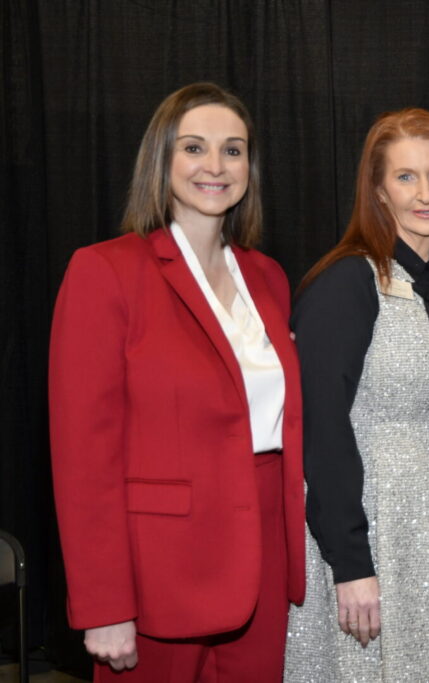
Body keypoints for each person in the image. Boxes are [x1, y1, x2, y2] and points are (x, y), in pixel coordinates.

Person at [48, 82, 305, 682]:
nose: (215, 166)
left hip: (263, 566)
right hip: (158, 576)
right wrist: (105, 604)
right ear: (161, 159)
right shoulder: (105, 272)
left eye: (233, 151)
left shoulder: (268, 278)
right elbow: (84, 459)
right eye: (194, 147)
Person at [284, 108, 429, 682]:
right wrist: (350, 562)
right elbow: (320, 428)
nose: (426, 193)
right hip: (381, 536)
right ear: (378, 191)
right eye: (406, 177)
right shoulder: (348, 282)